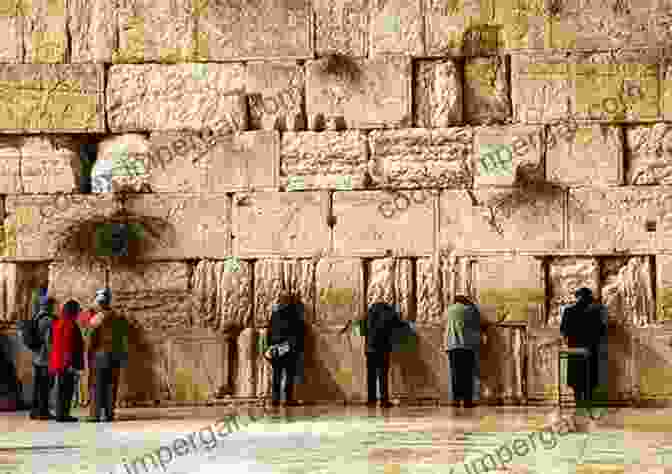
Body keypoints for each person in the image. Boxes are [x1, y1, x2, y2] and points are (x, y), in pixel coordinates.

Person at [560, 287, 607, 408]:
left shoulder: (568, 311)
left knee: (576, 378)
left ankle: (579, 402)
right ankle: (587, 402)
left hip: (574, 350)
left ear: (577, 297)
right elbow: (602, 331)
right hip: (590, 349)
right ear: (589, 299)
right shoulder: (596, 312)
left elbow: (564, 331)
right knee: (589, 378)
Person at [87, 288, 129, 422]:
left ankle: (95, 415)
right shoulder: (118, 317)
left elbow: (91, 338)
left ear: (100, 303)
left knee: (97, 385)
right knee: (111, 385)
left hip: (100, 356)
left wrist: (89, 354)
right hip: (115, 356)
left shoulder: (97, 318)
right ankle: (109, 414)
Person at [443, 295, 484, 408]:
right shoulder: (470, 310)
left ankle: (455, 400)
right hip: (467, 345)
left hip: (452, 345)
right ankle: (467, 401)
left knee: (455, 374)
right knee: (467, 374)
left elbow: (444, 323)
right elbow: (478, 323)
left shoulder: (448, 310)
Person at [48, 300, 85, 422]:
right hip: (67, 363)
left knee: (61, 389)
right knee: (67, 390)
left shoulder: (57, 323)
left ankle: (60, 413)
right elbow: (71, 346)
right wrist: (72, 364)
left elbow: (53, 343)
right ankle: (63, 415)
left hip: (59, 361)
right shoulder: (71, 325)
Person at [366, 302, 407, 408]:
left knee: (371, 375)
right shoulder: (389, 313)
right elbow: (399, 325)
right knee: (382, 375)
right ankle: (384, 401)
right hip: (382, 348)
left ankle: (371, 400)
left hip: (369, 348)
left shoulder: (370, 312)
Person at [268, 291, 304, 407]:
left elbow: (269, 331)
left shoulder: (275, 313)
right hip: (288, 347)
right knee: (289, 373)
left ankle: (275, 398)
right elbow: (299, 331)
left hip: (276, 347)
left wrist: (270, 346)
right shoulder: (294, 313)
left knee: (277, 374)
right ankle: (288, 399)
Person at [29, 294, 56, 420]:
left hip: (36, 358)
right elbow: (49, 341)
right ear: (49, 305)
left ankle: (34, 411)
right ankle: (43, 412)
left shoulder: (36, 317)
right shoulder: (49, 320)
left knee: (37, 386)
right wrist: (53, 358)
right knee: (45, 386)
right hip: (46, 359)